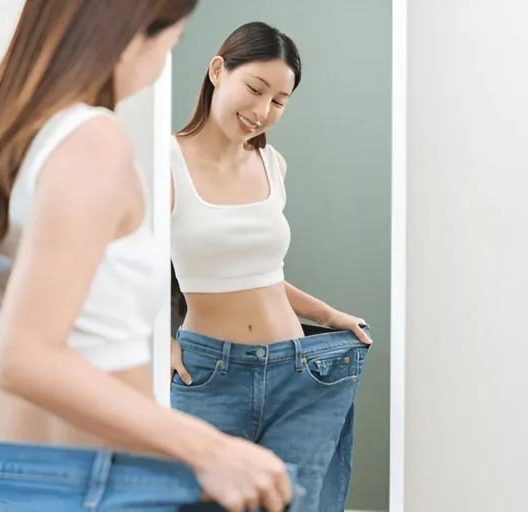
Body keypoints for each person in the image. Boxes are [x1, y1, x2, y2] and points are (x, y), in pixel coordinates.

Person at [0, 3, 304, 511]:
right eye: (172, 41)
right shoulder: (90, 139)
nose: (164, 62)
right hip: (102, 485)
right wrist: (210, 449)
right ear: (132, 34)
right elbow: (26, 355)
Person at [169, 21, 373, 511]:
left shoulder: (272, 165)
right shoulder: (166, 164)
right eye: (255, 89)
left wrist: (327, 316)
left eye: (279, 101)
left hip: (300, 371)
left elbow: (262, 276)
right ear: (218, 71)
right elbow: (126, 270)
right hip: (210, 375)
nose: (262, 111)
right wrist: (159, 336)